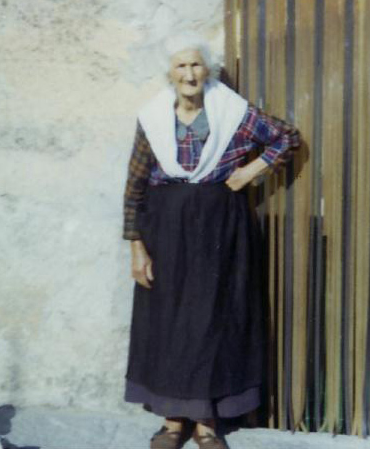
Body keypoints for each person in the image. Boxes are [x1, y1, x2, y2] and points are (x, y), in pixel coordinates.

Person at [122, 32, 301, 449]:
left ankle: (206, 423)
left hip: (220, 227)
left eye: (196, 65)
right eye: (181, 66)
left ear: (208, 70)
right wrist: (137, 245)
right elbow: (134, 186)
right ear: (170, 73)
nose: (189, 74)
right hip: (165, 229)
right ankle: (172, 420)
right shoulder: (153, 118)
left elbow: (286, 137)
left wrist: (251, 171)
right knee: (169, 321)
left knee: (213, 320)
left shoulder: (232, 112)